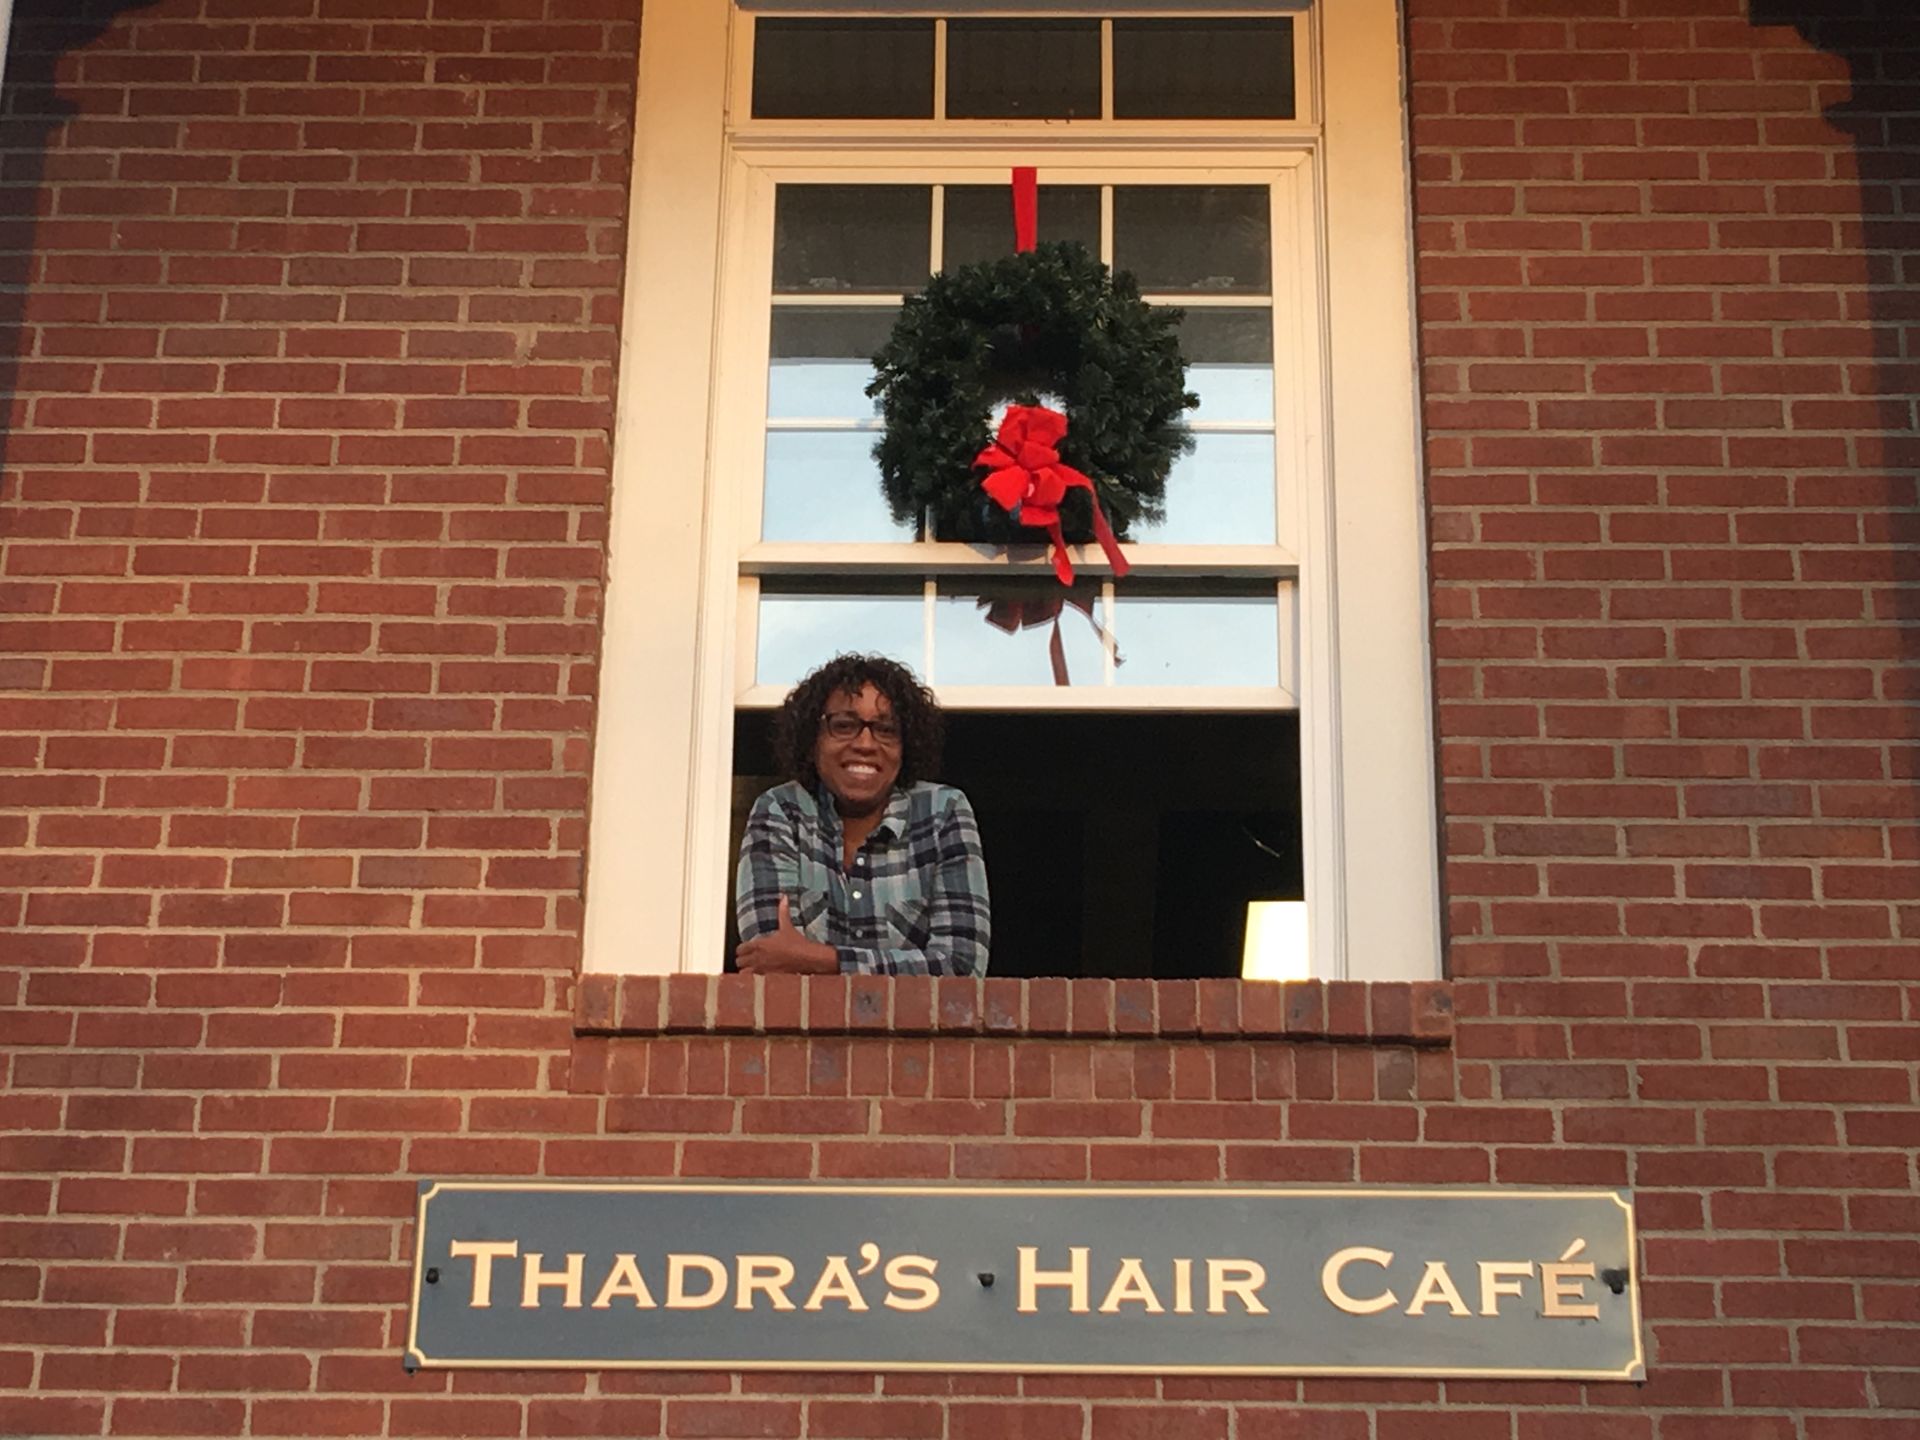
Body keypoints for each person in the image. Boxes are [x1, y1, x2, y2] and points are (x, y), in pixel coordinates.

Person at [734, 653, 990, 976]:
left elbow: (962, 968)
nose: (866, 743)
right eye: (843, 725)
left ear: (906, 745)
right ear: (811, 741)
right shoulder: (780, 811)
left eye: (886, 729)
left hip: (913, 1029)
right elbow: (770, 962)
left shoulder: (942, 813)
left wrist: (824, 960)